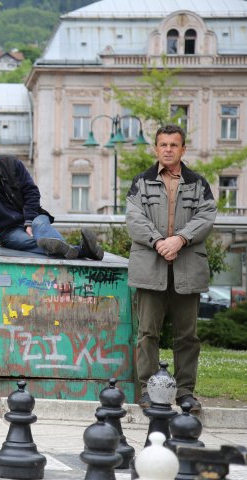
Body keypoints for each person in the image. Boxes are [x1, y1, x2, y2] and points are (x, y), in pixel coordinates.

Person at [126, 124, 216, 413]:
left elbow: (206, 217)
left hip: (187, 269)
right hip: (150, 267)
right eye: (162, 144)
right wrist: (159, 242)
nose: (167, 149)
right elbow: (134, 219)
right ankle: (147, 391)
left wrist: (180, 239)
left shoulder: (198, 183)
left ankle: (185, 392)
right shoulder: (140, 182)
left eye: (173, 145)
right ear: (155, 148)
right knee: (147, 334)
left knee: (187, 336)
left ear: (182, 149)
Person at [0, 129, 103, 260]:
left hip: (33, 216)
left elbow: (31, 192)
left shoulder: (12, 164)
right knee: (39, 243)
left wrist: (29, 222)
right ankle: (83, 251)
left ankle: (70, 249)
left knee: (43, 232)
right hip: (7, 230)